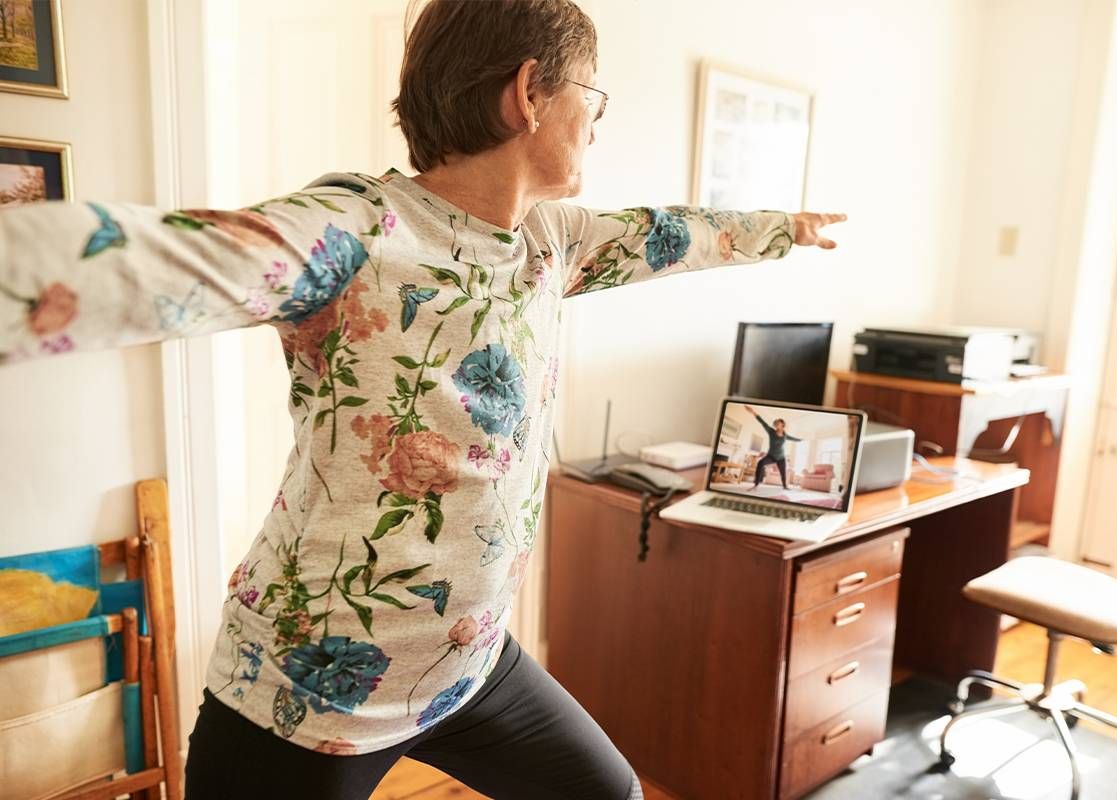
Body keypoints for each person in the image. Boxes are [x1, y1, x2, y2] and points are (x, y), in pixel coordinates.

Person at [0, 1, 846, 797]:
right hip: (309, 692)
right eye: (592, 95)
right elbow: (152, 259)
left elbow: (673, 234)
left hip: (464, 666)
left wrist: (787, 229)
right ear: (529, 93)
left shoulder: (551, 242)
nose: (596, 119)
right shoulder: (357, 232)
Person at [743, 404, 802, 491]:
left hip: (781, 457)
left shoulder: (785, 436)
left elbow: (793, 438)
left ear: (782, 424)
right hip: (771, 456)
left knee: (783, 472)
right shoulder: (771, 431)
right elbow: (762, 422)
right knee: (760, 463)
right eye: (776, 423)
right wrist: (753, 412)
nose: (776, 423)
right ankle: (756, 484)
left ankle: (785, 486)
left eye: (778, 422)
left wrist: (801, 440)